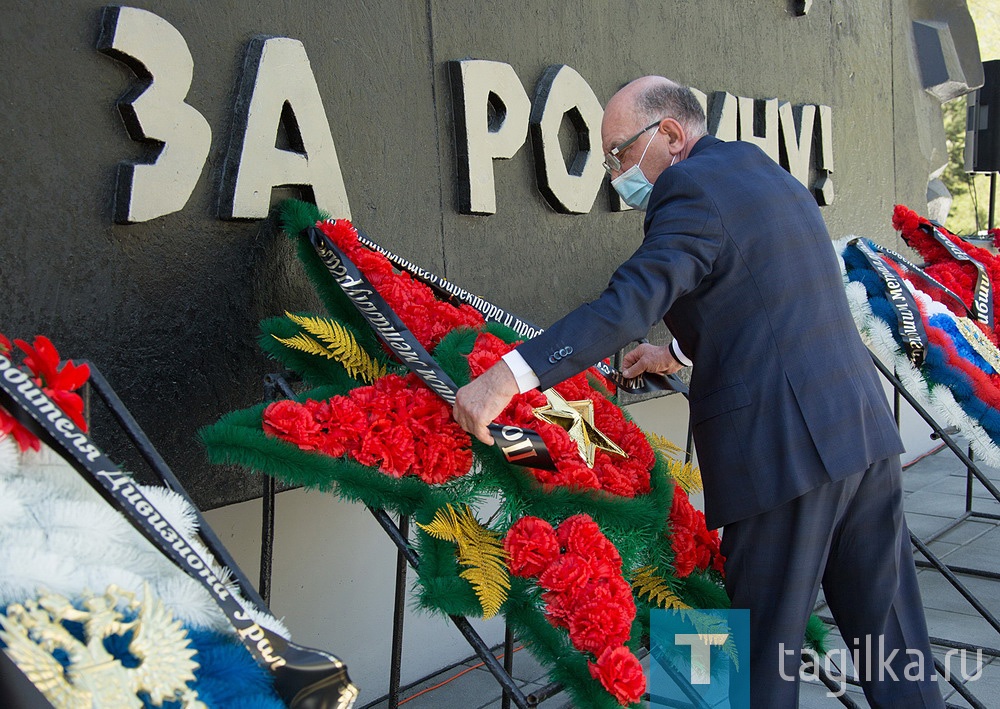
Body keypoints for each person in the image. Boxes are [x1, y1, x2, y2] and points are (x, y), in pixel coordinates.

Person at [453, 75, 944, 707]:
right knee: (893, 643)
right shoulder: (754, 168)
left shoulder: (686, 189)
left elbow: (628, 304)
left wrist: (506, 377)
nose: (614, 173)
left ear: (671, 136)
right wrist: (674, 352)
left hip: (784, 455)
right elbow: (755, 291)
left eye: (619, 153)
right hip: (861, 435)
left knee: (754, 662)